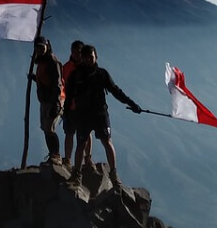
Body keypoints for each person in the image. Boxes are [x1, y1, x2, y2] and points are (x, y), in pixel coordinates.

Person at [64, 44, 143, 187]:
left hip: (100, 114)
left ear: (96, 57)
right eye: (86, 57)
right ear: (82, 58)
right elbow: (69, 96)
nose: (89, 60)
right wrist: (66, 113)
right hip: (83, 115)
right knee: (81, 144)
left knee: (106, 142)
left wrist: (132, 104)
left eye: (91, 57)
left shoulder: (102, 74)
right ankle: (77, 175)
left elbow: (115, 91)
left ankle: (113, 174)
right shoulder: (76, 75)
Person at [28, 36, 63, 165]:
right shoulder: (41, 62)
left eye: (41, 47)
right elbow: (46, 80)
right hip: (45, 100)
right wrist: (35, 78)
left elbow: (57, 83)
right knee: (45, 128)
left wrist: (56, 103)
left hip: (53, 100)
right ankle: (52, 154)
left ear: (47, 46)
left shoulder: (52, 62)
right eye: (37, 47)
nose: (39, 49)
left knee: (49, 128)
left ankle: (56, 155)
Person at [60, 40, 93, 168]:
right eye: (74, 52)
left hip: (85, 107)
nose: (76, 55)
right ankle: (67, 159)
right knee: (69, 133)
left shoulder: (88, 69)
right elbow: (61, 86)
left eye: (78, 52)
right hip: (70, 106)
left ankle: (87, 158)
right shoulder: (66, 68)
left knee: (86, 133)